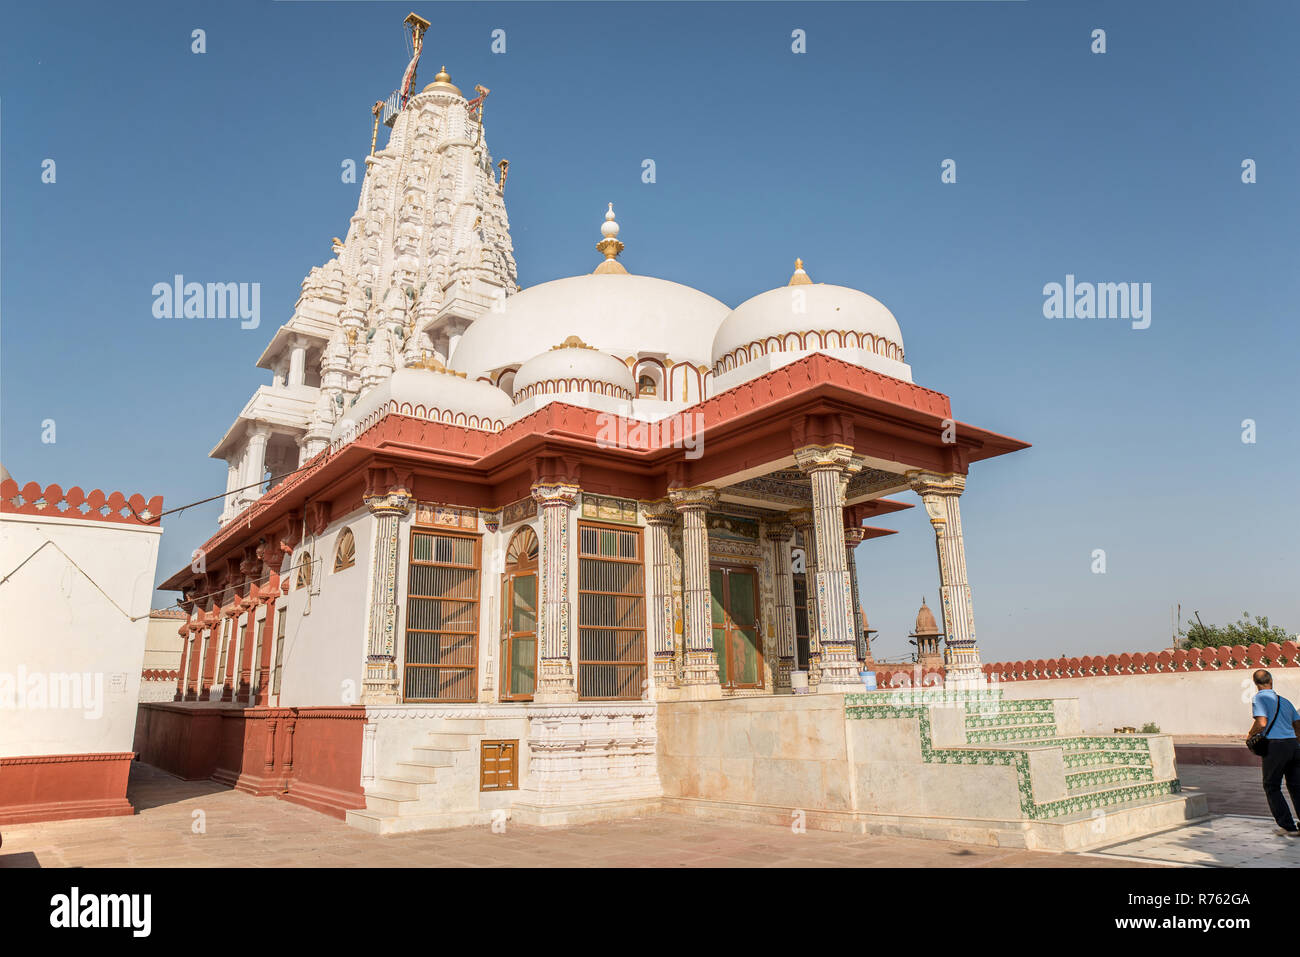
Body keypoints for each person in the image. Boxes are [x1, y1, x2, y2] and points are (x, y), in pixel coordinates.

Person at [1247, 670, 1300, 836]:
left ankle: (1288, 826)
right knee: (1297, 786)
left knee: (1271, 785)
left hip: (1275, 746)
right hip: (1293, 745)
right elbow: (1298, 725)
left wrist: (1250, 734)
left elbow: (1261, 722)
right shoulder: (1285, 701)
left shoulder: (1259, 698)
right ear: (1271, 681)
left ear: (1256, 683)